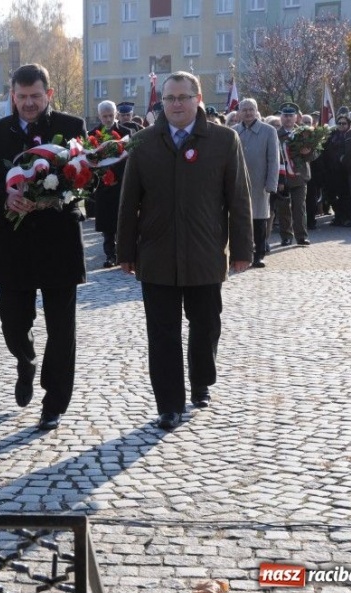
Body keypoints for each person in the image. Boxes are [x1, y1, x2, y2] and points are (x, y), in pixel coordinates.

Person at [116, 71, 253, 431]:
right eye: (170, 98)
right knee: (162, 334)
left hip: (205, 252)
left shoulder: (224, 140)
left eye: (183, 97)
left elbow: (238, 198)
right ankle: (169, 404)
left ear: (198, 98)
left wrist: (242, 249)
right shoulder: (143, 142)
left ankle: (202, 380)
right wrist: (125, 251)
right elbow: (128, 202)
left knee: (206, 324)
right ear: (162, 102)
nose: (176, 104)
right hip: (157, 255)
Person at [0, 63, 87, 431]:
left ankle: (54, 403)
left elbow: (85, 179)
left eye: (35, 96)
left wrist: (59, 200)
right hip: (14, 244)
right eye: (21, 97)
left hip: (59, 241)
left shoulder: (71, 128)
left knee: (62, 328)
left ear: (48, 94)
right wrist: (3, 199)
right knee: (12, 322)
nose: (28, 103)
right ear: (12, 96)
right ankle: (25, 360)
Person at [232, 98, 279, 268]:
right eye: (244, 109)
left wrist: (271, 184)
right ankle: (240, 254)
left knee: (259, 220)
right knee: (240, 220)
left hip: (259, 182)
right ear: (239, 112)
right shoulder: (234, 131)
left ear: (257, 111)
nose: (248, 113)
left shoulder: (269, 131)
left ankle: (258, 254)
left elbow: (274, 159)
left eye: (251, 109)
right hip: (238, 183)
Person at [91, 100, 135, 269]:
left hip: (123, 182)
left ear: (116, 114)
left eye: (111, 115)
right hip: (104, 184)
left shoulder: (126, 132)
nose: (108, 119)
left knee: (123, 220)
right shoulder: (93, 133)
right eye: (104, 116)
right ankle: (110, 254)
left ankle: (124, 254)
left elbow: (132, 156)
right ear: (99, 116)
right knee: (107, 224)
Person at [276, 102, 315, 246]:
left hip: (299, 176)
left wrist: (308, 152)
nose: (287, 118)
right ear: (281, 117)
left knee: (299, 208)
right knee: (283, 208)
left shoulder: (304, 133)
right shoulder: (275, 134)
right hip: (282, 177)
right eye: (285, 115)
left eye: (290, 116)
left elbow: (314, 155)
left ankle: (301, 236)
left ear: (296, 118)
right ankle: (286, 236)